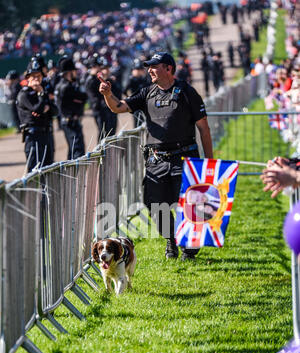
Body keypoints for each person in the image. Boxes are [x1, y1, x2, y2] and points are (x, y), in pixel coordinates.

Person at [99, 51, 213, 261]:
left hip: (184, 158)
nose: (149, 70)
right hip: (156, 159)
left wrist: (209, 162)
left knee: (187, 204)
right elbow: (119, 107)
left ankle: (188, 248)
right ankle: (171, 238)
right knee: (154, 203)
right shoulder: (147, 93)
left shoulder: (188, 92)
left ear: (168, 68)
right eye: (148, 66)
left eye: (154, 66)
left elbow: (204, 129)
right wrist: (107, 94)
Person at [16, 58, 55, 173]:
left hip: (46, 134)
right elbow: (37, 109)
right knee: (34, 172)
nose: (36, 79)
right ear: (28, 78)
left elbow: (55, 111)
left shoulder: (43, 92)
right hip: (33, 136)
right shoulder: (24, 94)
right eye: (33, 76)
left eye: (38, 76)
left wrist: (45, 106)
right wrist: (42, 96)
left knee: (48, 171)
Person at [54, 56, 87, 160]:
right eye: (74, 71)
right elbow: (83, 97)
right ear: (69, 72)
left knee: (73, 150)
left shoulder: (65, 85)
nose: (76, 73)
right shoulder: (66, 87)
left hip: (70, 121)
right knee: (77, 151)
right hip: (70, 121)